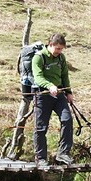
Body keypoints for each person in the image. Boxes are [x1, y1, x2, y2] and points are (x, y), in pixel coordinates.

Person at [31, 33, 74, 165]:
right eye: (57, 48)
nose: (59, 51)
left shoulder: (61, 58)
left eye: (61, 49)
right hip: (42, 95)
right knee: (41, 127)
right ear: (50, 45)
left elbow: (64, 75)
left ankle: (63, 154)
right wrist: (49, 86)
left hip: (59, 94)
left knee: (67, 119)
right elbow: (38, 77)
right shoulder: (38, 58)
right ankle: (41, 158)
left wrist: (68, 92)